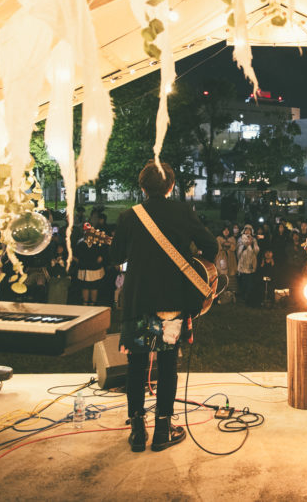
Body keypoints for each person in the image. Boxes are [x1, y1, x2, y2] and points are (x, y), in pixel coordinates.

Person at [112, 161, 218, 453]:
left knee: (136, 365)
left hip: (137, 300)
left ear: (142, 187)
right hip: (171, 301)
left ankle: (137, 431)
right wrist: (193, 265)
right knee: (168, 363)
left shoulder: (128, 216)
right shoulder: (183, 212)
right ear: (171, 186)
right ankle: (162, 429)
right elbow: (211, 245)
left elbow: (115, 256)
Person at [74, 225, 105, 306]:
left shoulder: (97, 243)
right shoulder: (80, 243)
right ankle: (85, 303)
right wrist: (79, 262)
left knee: (94, 286)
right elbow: (75, 255)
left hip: (95, 268)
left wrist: (101, 257)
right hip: (84, 268)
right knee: (85, 286)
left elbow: (103, 253)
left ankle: (93, 303)